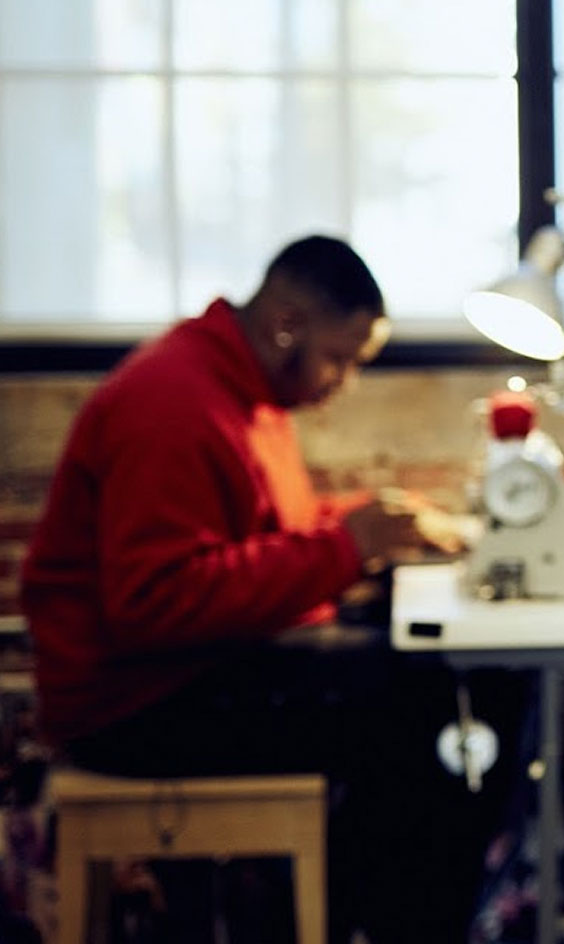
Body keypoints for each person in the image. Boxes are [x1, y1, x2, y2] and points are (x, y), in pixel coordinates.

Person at [22, 235, 520, 942]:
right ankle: (388, 922)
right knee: (440, 702)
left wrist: (371, 524)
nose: (341, 382)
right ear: (286, 323)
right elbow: (153, 603)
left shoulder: (236, 389)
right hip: (131, 705)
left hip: (183, 671)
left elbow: (256, 539)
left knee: (447, 679)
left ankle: (363, 913)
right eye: (339, 359)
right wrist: (349, 548)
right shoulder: (174, 404)